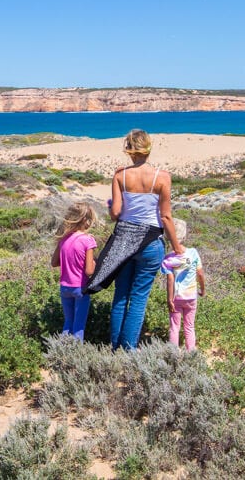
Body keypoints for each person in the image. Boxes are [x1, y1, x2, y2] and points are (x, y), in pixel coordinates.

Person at [85, 129, 184, 350]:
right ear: (149, 148)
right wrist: (177, 247)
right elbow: (166, 217)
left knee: (120, 296)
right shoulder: (163, 177)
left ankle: (114, 348)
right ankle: (128, 351)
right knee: (138, 299)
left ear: (129, 150)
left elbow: (116, 214)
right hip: (150, 243)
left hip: (123, 242)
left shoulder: (120, 175)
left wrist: (112, 206)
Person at [51, 202, 97, 340]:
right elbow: (89, 271)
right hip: (80, 288)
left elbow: (54, 263)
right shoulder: (88, 240)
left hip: (65, 287)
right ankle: (75, 357)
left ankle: (61, 352)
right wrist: (95, 263)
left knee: (68, 322)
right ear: (84, 220)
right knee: (79, 326)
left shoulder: (63, 238)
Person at [162, 243, 205, 351]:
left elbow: (170, 280)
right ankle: (191, 353)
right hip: (191, 296)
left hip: (176, 297)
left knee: (174, 327)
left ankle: (173, 354)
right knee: (189, 326)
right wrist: (203, 289)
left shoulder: (168, 258)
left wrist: (169, 299)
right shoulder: (193, 252)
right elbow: (200, 273)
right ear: (184, 237)